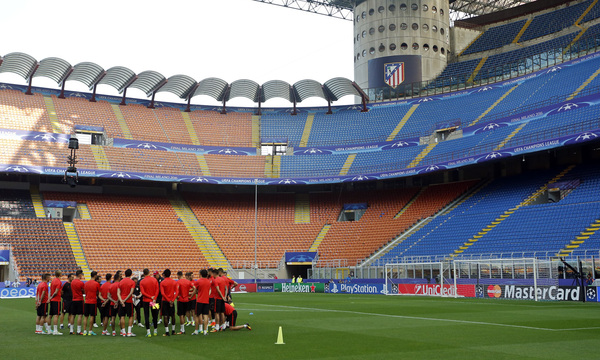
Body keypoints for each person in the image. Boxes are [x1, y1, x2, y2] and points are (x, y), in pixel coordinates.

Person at [139, 268, 159, 337]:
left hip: (146, 301)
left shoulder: (142, 281)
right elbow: (157, 290)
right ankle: (155, 330)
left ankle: (148, 332)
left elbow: (143, 292)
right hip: (154, 301)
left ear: (143, 273)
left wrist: (150, 297)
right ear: (149, 273)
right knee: (155, 315)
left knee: (146, 315)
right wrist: (154, 298)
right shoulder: (154, 280)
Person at [190, 269, 211, 336]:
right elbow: (209, 290)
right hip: (206, 300)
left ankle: (196, 330)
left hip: (199, 300)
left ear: (201, 274)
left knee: (197, 315)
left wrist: (191, 297)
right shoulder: (208, 282)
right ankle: (205, 331)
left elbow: (195, 290)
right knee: (205, 316)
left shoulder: (198, 281)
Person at [83, 271, 104, 336]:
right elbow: (98, 293)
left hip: (86, 301)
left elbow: (84, 291)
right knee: (92, 316)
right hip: (93, 301)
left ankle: (84, 331)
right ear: (95, 276)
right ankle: (90, 331)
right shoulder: (96, 284)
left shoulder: (86, 283)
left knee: (86, 316)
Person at [118, 269, 136, 337]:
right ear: (131, 274)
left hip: (122, 301)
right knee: (130, 316)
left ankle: (123, 332)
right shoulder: (132, 282)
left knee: (122, 316)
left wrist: (121, 300)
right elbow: (131, 292)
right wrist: (125, 300)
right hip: (128, 301)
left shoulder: (121, 282)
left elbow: (118, 293)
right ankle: (129, 332)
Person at [159, 269, 177, 336]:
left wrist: (168, 300)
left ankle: (167, 332)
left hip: (165, 301)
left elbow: (162, 293)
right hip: (172, 300)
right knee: (173, 315)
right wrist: (172, 300)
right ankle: (173, 330)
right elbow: (177, 292)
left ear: (164, 274)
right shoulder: (174, 282)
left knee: (165, 316)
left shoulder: (162, 282)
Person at [70, 270, 85, 335]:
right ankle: (78, 330)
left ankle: (71, 330)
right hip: (79, 299)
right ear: (80, 275)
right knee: (80, 315)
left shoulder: (72, 282)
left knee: (73, 315)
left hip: (73, 299)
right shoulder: (81, 283)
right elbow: (84, 291)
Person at [211, 268, 227, 332]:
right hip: (222, 298)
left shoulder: (216, 280)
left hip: (217, 298)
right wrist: (224, 296)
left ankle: (217, 327)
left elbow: (218, 289)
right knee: (222, 312)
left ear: (215, 274)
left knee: (216, 313)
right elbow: (226, 288)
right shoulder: (223, 279)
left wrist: (222, 297)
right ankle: (223, 326)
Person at [48, 270, 63, 335]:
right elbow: (56, 292)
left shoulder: (53, 281)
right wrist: (51, 297)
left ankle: (49, 330)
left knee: (50, 315)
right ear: (60, 275)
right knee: (56, 315)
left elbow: (51, 290)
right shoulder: (59, 282)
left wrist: (49, 298)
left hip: (52, 300)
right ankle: (55, 330)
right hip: (56, 300)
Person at [108, 272, 121, 336]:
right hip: (119, 303)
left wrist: (114, 301)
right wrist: (117, 301)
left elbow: (108, 296)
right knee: (121, 317)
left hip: (112, 303)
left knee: (112, 318)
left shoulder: (111, 285)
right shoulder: (120, 285)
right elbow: (120, 294)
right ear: (118, 278)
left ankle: (113, 331)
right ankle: (122, 330)